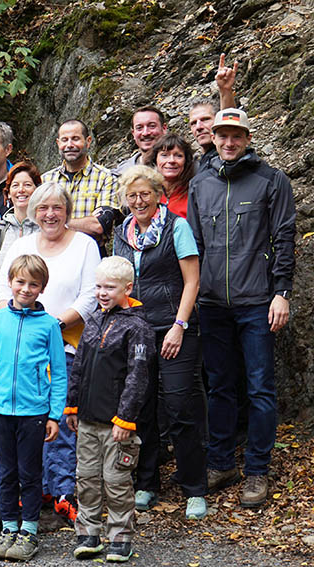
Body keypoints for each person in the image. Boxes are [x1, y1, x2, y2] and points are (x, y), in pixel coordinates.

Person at [186, 108, 295, 508]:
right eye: (222, 136)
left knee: (261, 388)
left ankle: (257, 470)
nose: (229, 143)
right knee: (219, 387)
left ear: (247, 138)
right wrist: (193, 296)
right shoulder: (200, 184)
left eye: (237, 136)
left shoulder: (271, 180)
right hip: (212, 304)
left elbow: (284, 238)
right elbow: (193, 246)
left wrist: (282, 292)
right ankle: (220, 463)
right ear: (212, 138)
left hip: (257, 303)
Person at [0, 182, 100, 525]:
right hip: (19, 351)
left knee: (59, 423)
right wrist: (10, 323)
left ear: (68, 210)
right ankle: (31, 496)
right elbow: (1, 286)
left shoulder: (84, 245)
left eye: (57, 207)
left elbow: (90, 295)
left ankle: (61, 495)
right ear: (33, 212)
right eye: (42, 208)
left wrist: (50, 324)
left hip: (65, 343)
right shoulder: (23, 245)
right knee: (25, 425)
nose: (50, 214)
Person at [113, 165, 207, 520]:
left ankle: (194, 488)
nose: (139, 201)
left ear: (158, 195)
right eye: (132, 195)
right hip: (137, 330)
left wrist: (179, 326)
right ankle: (147, 484)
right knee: (143, 407)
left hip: (175, 327)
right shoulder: (122, 234)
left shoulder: (176, 227)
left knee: (181, 406)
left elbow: (192, 281)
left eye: (145, 194)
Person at [66, 256, 156, 563]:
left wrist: (127, 418)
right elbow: (79, 365)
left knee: (117, 481)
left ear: (127, 288)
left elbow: (138, 375)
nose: (103, 292)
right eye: (99, 286)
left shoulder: (138, 327)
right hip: (88, 419)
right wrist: (72, 405)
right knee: (87, 478)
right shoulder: (92, 319)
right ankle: (88, 533)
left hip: (117, 423)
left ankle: (120, 535)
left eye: (110, 287)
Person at [0, 254, 67, 561]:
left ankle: (29, 531)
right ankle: (8, 529)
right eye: (20, 282)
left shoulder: (49, 326)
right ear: (10, 282)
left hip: (34, 412)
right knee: (7, 473)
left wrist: (55, 414)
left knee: (30, 473)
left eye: (33, 284)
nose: (26, 289)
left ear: (42, 288)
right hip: (0, 410)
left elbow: (59, 371)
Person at [0, 162, 41, 334]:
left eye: (28, 185)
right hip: (2, 317)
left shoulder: (45, 230)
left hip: (38, 317)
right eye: (15, 185)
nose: (21, 190)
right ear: (8, 193)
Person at [41, 119, 120, 256]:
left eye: (75, 139)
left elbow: (99, 225)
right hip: (52, 254)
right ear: (58, 143)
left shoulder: (106, 178)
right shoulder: (46, 180)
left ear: (88, 141)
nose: (69, 145)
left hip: (91, 254)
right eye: (64, 140)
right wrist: (83, 222)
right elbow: (35, 222)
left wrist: (53, 222)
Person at [188, 54, 238, 171]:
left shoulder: (229, 152)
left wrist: (225, 91)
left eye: (205, 119)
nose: (199, 127)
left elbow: (229, 123)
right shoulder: (192, 165)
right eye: (193, 123)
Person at [145, 134, 195, 218]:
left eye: (178, 156)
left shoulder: (193, 194)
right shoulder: (147, 193)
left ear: (186, 161)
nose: (171, 160)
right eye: (164, 155)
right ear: (155, 159)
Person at [112, 106, 167, 177]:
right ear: (133, 133)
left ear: (164, 128)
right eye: (139, 128)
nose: (145, 133)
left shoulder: (180, 167)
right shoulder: (122, 173)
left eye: (152, 126)